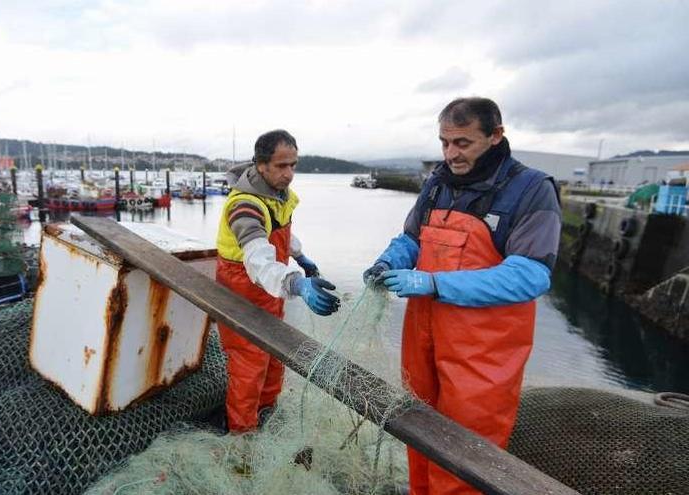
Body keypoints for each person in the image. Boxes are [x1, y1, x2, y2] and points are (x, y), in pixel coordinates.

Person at [363, 97, 561, 494]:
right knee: (418, 435)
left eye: (463, 143)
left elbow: (530, 275)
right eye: (445, 143)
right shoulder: (438, 183)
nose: (451, 153)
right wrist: (387, 262)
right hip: (423, 340)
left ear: (495, 136)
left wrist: (436, 284)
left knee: (467, 457)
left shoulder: (531, 189)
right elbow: (412, 239)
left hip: (483, 356)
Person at [216, 129, 340, 433]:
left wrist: (300, 256)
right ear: (261, 165)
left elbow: (281, 231)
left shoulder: (277, 196)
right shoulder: (245, 205)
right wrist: (296, 284)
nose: (290, 174)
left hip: (272, 290)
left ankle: (267, 414)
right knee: (249, 364)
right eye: (282, 166)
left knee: (274, 356)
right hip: (243, 290)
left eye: (293, 165)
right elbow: (258, 259)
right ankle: (242, 436)